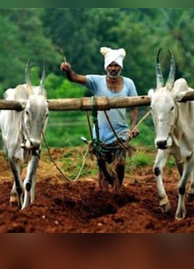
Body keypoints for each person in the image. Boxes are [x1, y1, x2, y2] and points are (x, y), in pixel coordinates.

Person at [60, 47, 139, 192]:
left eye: (116, 65)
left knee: (120, 163)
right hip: (100, 133)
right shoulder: (97, 81)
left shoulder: (129, 83)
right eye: (110, 65)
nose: (113, 68)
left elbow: (135, 106)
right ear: (106, 67)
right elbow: (75, 78)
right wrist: (68, 71)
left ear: (121, 66)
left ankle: (118, 189)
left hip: (120, 132)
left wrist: (134, 126)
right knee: (101, 162)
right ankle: (104, 189)